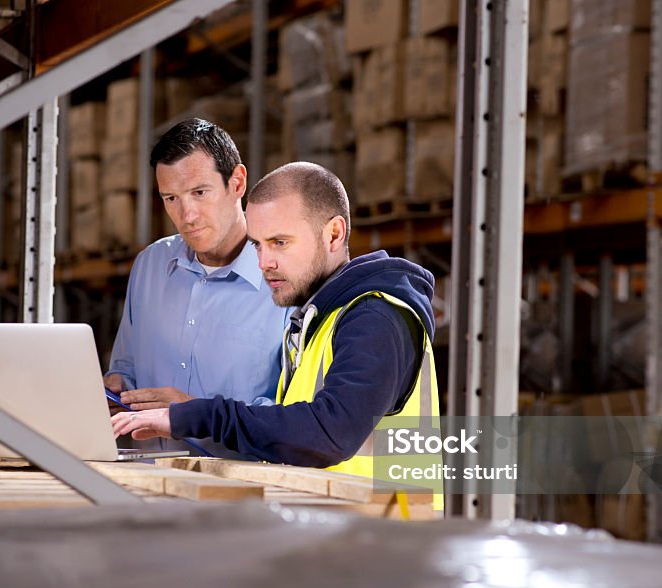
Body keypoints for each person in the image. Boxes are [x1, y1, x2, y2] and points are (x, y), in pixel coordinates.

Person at [112, 162, 438, 474]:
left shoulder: (375, 317)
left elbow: (330, 434)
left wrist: (195, 415)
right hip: (346, 522)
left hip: (390, 524)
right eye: (257, 245)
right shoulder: (318, 321)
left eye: (280, 243)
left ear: (334, 235)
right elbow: (292, 433)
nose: (264, 262)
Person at [105, 119, 288, 430]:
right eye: (171, 198)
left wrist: (193, 413)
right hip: (146, 472)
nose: (187, 216)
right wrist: (118, 386)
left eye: (200, 192)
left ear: (238, 183)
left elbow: (296, 416)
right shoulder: (149, 266)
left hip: (240, 477)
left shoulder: (284, 280)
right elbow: (126, 365)